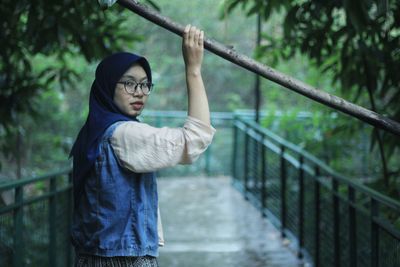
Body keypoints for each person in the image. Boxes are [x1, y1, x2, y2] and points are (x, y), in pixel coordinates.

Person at [70, 25, 215, 267]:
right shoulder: (123, 133)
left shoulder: (95, 131)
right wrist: (194, 70)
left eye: (145, 85)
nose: (139, 93)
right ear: (107, 86)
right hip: (122, 260)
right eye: (129, 84)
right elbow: (194, 139)